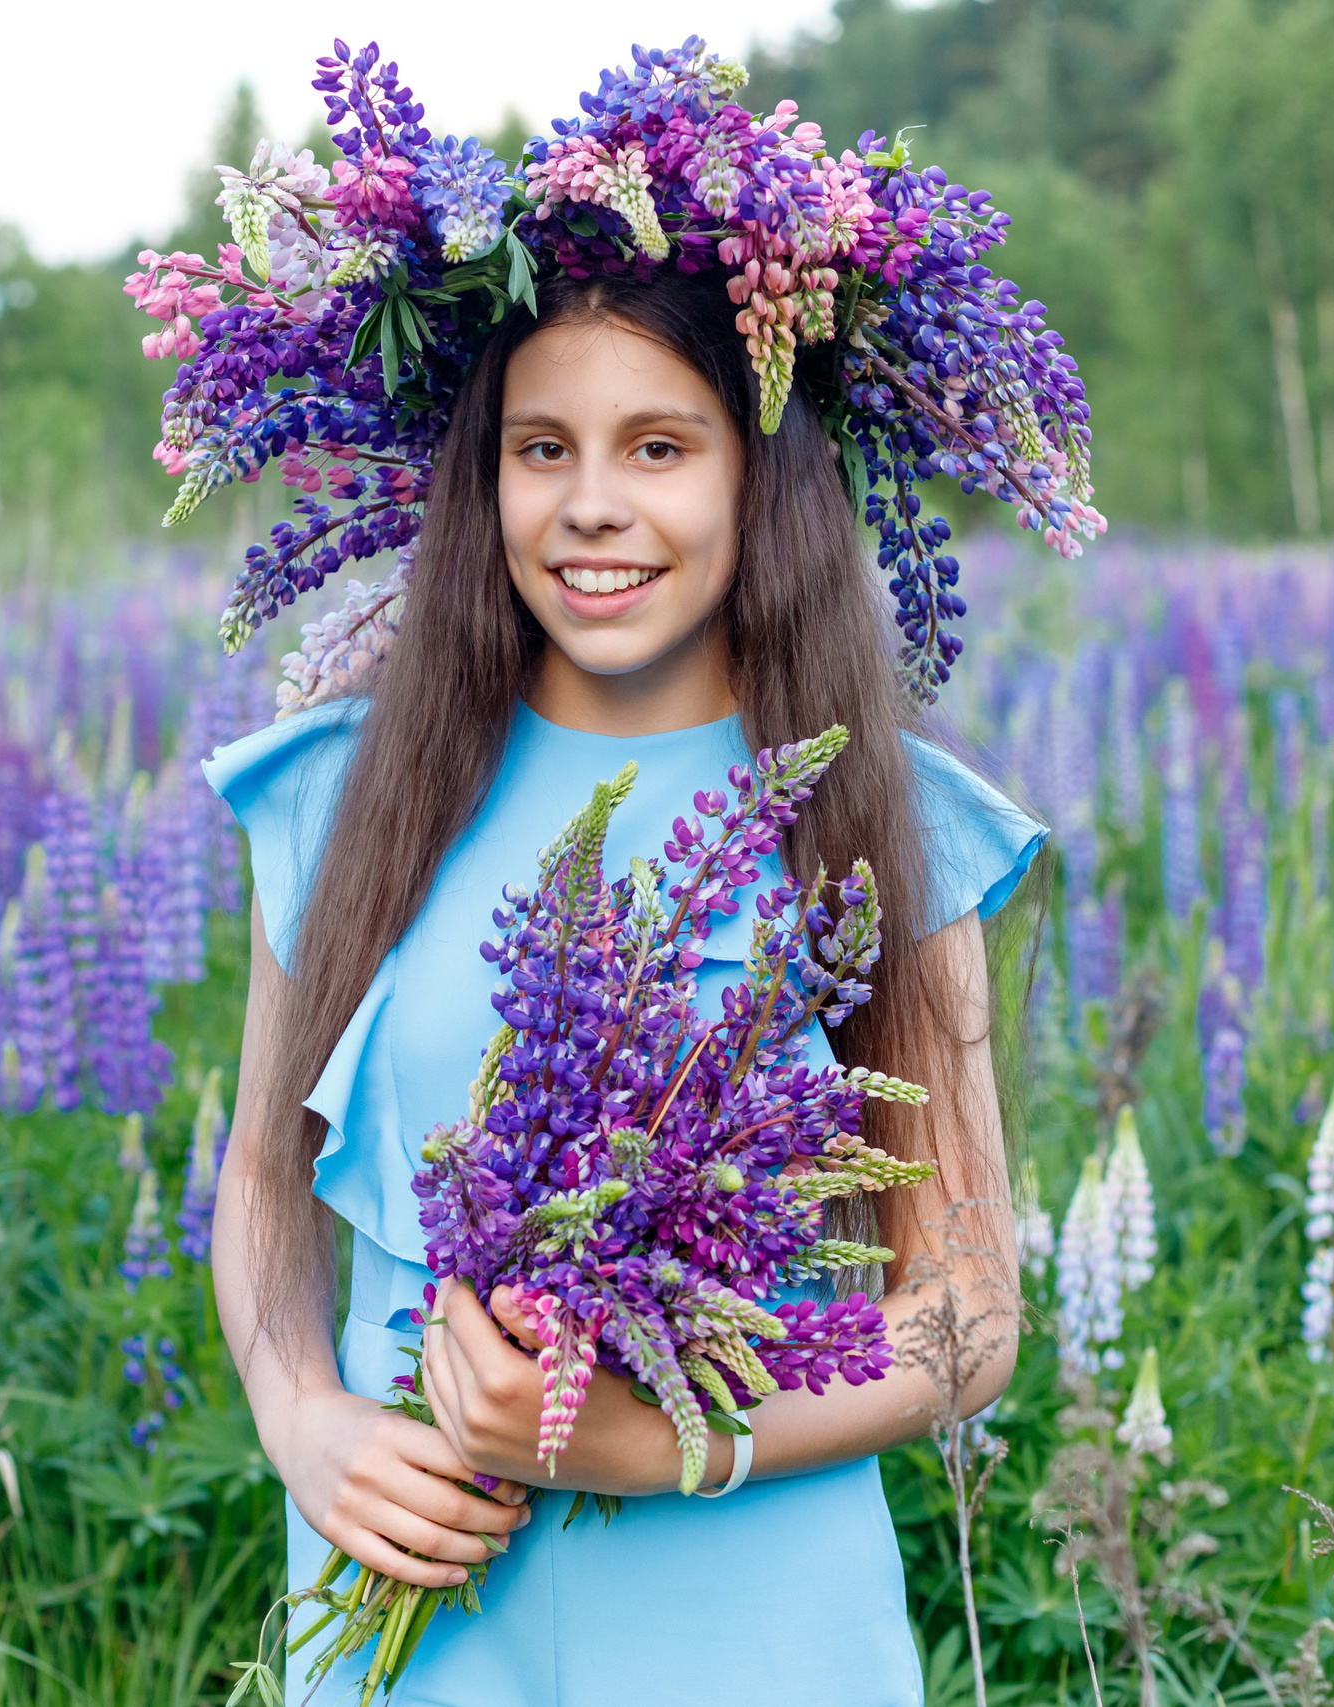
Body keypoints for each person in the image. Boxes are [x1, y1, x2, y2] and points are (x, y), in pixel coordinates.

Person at [164, 41, 1102, 1703]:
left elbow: (966, 1314)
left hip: (759, 1623)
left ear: (764, 474)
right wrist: (303, 1420)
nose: (593, 509)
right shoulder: (342, 792)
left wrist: (672, 1442)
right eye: (543, 450)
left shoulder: (883, 823)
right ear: (486, 477)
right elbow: (260, 1187)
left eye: (660, 447)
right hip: (420, 1610)